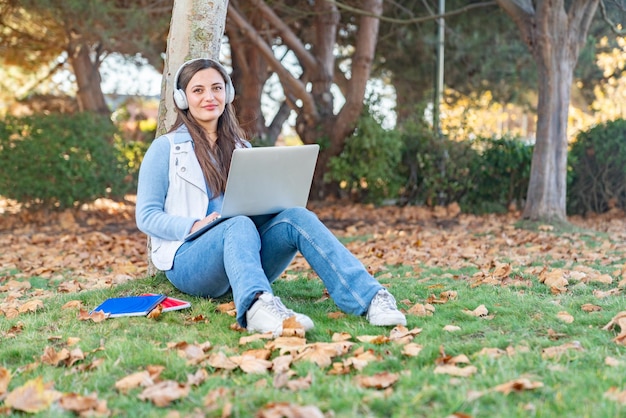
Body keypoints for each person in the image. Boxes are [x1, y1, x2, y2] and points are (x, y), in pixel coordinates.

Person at [135, 58, 406, 336]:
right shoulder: (165, 149)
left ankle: (370, 298)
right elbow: (146, 216)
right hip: (189, 261)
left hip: (244, 255)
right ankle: (257, 307)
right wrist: (194, 225)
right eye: (198, 90)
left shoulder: (243, 148)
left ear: (227, 94)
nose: (209, 97)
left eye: (216, 88)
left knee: (297, 216)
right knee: (237, 223)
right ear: (182, 99)